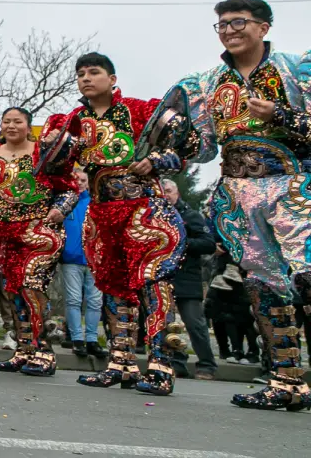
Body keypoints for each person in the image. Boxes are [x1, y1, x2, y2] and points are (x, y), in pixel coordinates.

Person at [160, 0, 311, 410]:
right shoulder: (208, 83)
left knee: (307, 279)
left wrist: (280, 116)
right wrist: (174, 149)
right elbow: (205, 148)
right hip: (238, 197)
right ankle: (288, 380)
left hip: (297, 187)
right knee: (264, 286)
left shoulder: (298, 67)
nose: (229, 29)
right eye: (222, 24)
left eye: (239, 21)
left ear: (263, 27)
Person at [39, 53, 187, 394]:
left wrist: (155, 159)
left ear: (112, 78)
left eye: (94, 72)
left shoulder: (138, 110)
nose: (86, 79)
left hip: (144, 210)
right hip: (103, 214)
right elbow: (53, 169)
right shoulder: (75, 120)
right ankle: (121, 363)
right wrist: (53, 149)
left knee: (152, 285)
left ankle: (160, 366)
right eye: (80, 74)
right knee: (113, 288)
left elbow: (183, 148)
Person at [0, 107, 76, 377]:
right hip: (6, 234)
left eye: (18, 121)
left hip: (40, 231)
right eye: (6, 121)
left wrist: (61, 208)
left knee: (32, 286)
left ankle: (44, 352)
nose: (11, 126)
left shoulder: (44, 153)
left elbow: (70, 188)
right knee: (13, 291)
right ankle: (23, 349)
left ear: (29, 126)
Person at [161, 179, 217, 380]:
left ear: (177, 193)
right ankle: (177, 362)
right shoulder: (156, 217)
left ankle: (207, 364)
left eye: (168, 191)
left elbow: (208, 244)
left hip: (187, 277)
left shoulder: (191, 216)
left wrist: (179, 243)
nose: (165, 195)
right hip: (162, 277)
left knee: (195, 324)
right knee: (166, 324)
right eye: (161, 191)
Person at [59, 169, 103, 359]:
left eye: (83, 180)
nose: (80, 183)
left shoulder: (96, 203)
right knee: (74, 300)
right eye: (76, 180)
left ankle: (92, 339)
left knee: (95, 301)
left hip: (94, 260)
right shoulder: (64, 202)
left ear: (88, 182)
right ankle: (77, 339)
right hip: (71, 259)